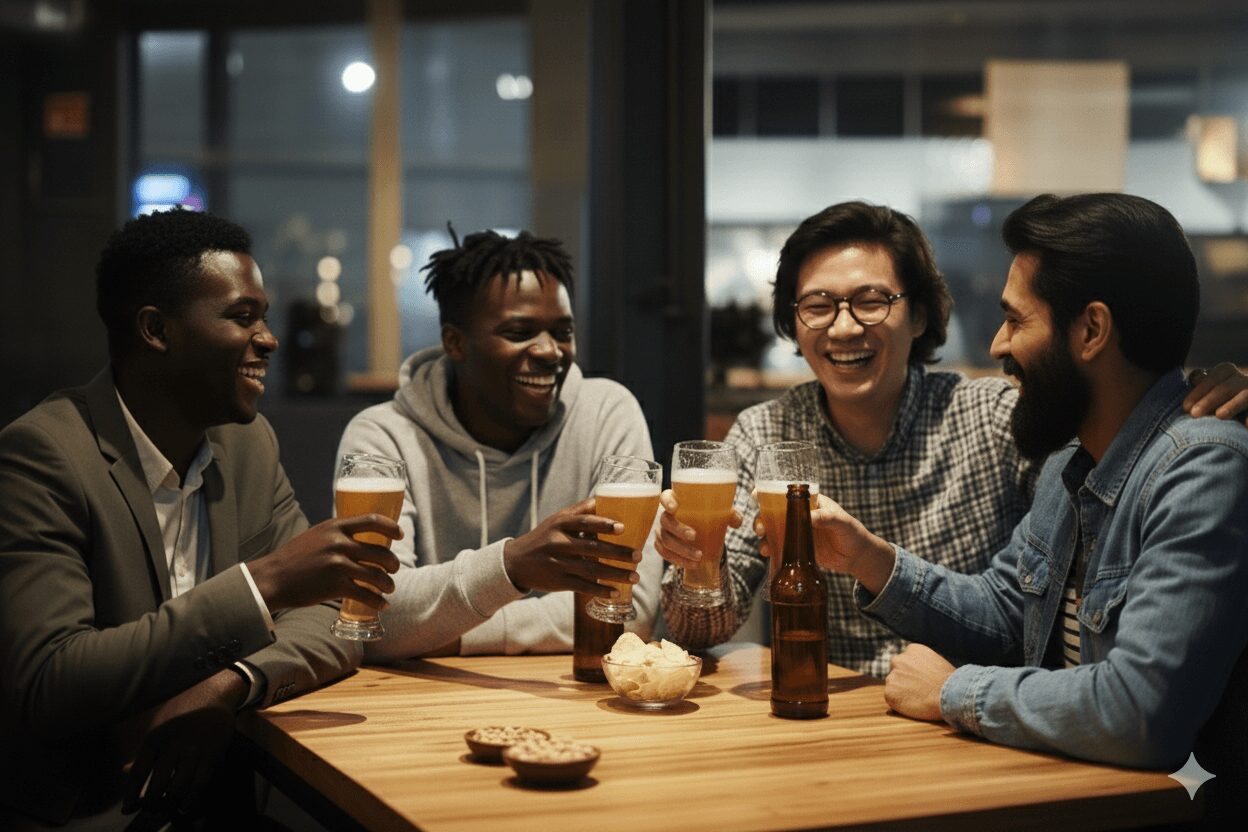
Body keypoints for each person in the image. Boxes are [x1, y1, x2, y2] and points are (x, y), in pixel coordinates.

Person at [656, 200, 1248, 676]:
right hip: (836, 721)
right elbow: (696, 630)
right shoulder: (767, 434)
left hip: (973, 729)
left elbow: (1122, 439)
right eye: (817, 306)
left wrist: (1200, 400)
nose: (843, 327)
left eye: (871, 301)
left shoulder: (998, 418)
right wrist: (694, 564)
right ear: (793, 321)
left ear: (919, 316)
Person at [818, 193, 1248, 781]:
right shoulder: (1076, 459)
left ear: (1091, 330)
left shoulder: (1202, 469)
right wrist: (866, 558)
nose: (998, 344)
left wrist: (953, 692)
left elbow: (1141, 712)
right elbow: (1003, 612)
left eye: (1016, 320)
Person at [0, 209, 402, 830]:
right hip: (91, 812)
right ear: (156, 330)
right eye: (242, 317)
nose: (268, 339)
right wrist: (264, 584)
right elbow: (50, 682)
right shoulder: (43, 455)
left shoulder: (247, 444)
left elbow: (331, 618)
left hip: (214, 800)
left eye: (264, 317)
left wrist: (230, 684)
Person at [338, 229, 662, 661]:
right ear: (455, 343)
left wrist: (442, 632)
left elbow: (629, 608)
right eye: (519, 331)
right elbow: (374, 618)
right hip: (425, 694)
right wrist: (510, 567)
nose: (550, 351)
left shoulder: (607, 412)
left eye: (562, 331)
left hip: (567, 691)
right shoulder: (382, 437)